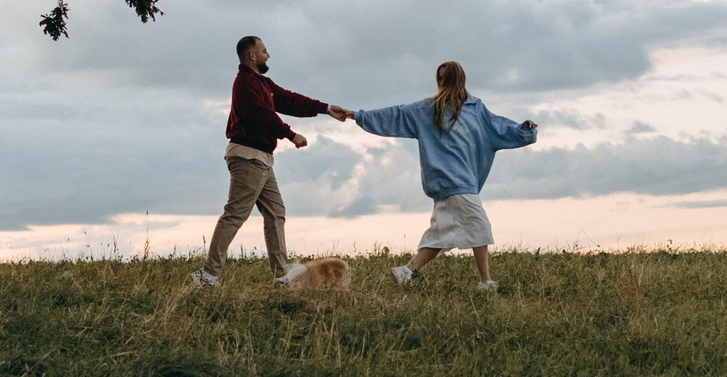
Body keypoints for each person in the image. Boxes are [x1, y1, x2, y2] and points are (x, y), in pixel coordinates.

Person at [344, 60, 537, 293]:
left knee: (442, 235)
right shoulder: (427, 109)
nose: (442, 82)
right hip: (451, 182)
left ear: (458, 79)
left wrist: (523, 130)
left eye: (446, 78)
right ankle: (485, 282)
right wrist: (356, 115)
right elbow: (395, 115)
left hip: (460, 182)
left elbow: (499, 127)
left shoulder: (476, 109)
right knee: (480, 226)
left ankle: (406, 271)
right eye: (440, 78)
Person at [191, 35, 349, 288]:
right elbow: (262, 116)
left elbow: (289, 99)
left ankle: (282, 276)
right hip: (247, 156)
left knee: (276, 213)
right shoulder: (244, 84)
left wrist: (326, 108)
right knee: (235, 214)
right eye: (264, 51)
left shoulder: (262, 83)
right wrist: (290, 134)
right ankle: (208, 275)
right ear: (252, 56)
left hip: (263, 158)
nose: (268, 55)